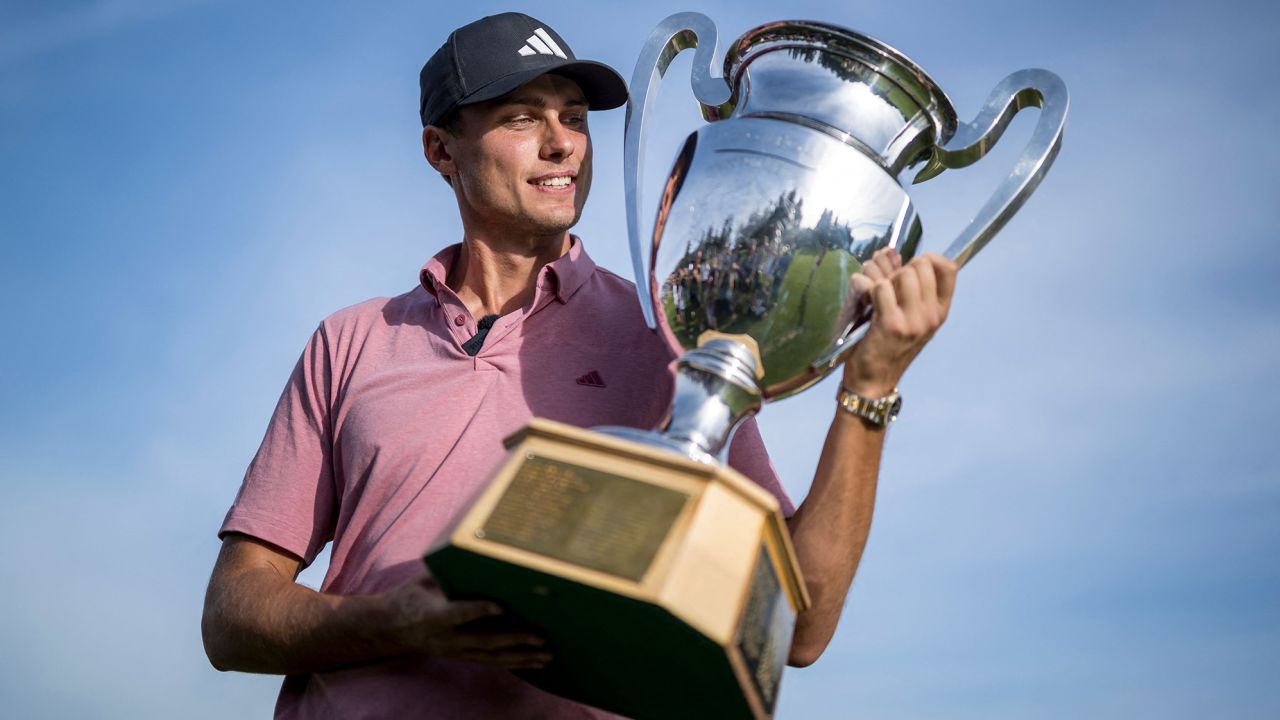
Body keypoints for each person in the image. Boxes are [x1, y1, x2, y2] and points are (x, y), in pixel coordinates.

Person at [201, 12, 958, 719]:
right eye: (523, 116)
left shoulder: (667, 331)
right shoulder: (352, 339)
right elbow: (232, 618)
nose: (562, 143)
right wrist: (398, 622)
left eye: (573, 116)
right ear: (442, 150)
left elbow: (799, 630)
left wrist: (870, 385)